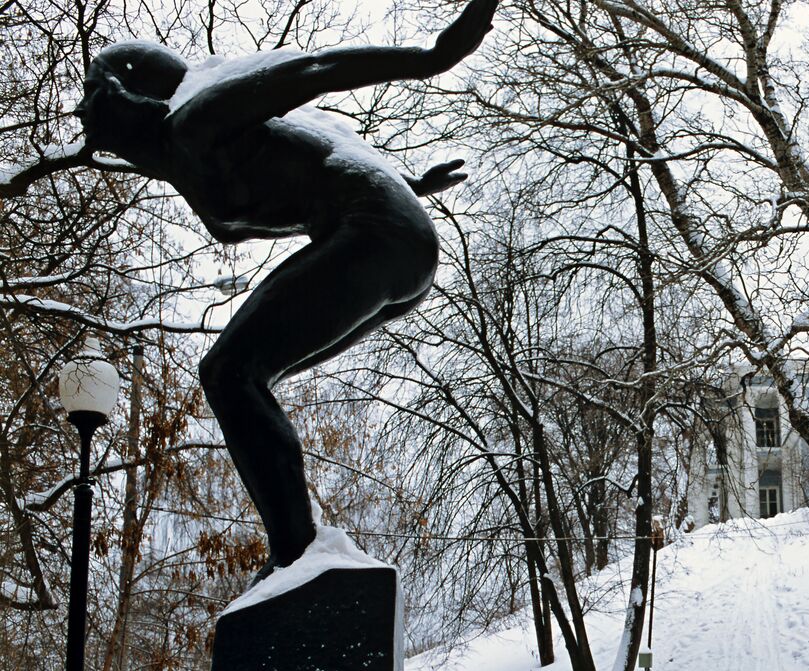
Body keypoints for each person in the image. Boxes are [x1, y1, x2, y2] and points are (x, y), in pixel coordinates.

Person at [73, 0, 497, 581]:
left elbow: (315, 70)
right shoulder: (183, 154)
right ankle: (299, 551)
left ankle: (297, 553)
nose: (81, 109)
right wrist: (413, 182)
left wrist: (433, 57)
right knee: (243, 375)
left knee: (230, 373)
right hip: (392, 242)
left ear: (131, 93)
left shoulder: (199, 118)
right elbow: (324, 155)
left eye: (93, 91)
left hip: (376, 233)